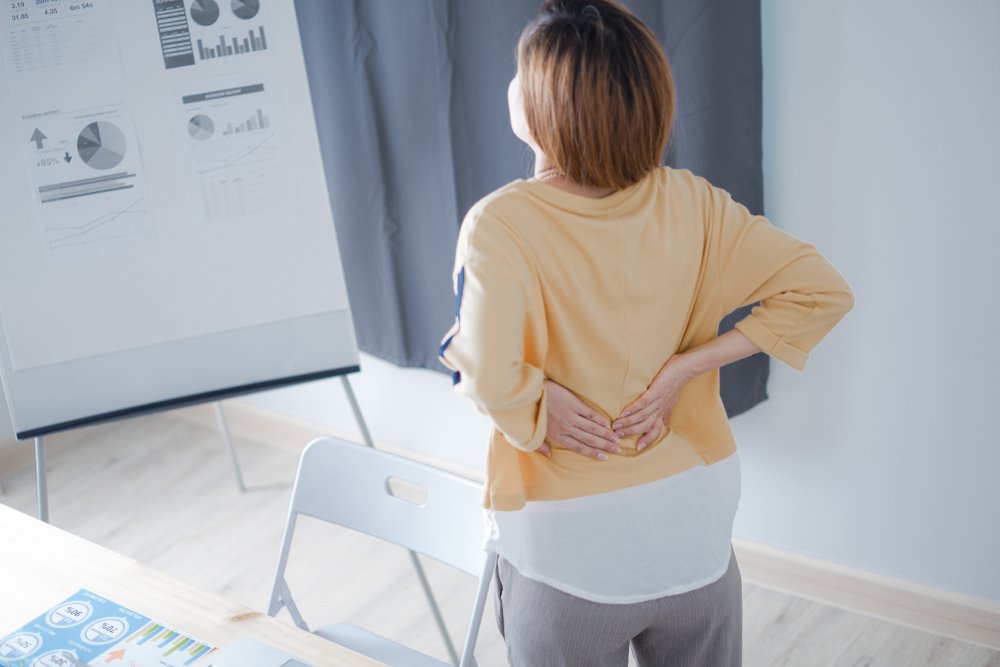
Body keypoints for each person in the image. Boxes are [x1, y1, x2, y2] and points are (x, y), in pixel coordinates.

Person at [439, 1, 855, 665]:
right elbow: (821, 289)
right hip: (696, 535)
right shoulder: (693, 202)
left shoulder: (500, 224)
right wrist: (686, 367)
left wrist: (539, 405)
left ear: (549, 103)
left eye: (522, 73)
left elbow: (485, 374)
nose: (510, 86)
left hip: (568, 553)